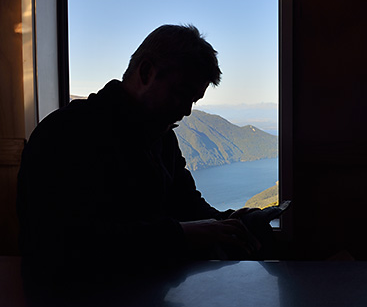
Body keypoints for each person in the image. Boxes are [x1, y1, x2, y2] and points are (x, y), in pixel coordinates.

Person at [17, 24, 273, 284]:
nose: (186, 111)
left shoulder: (162, 138)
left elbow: (187, 206)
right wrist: (185, 234)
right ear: (147, 71)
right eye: (181, 93)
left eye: (194, 100)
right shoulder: (65, 134)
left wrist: (230, 221)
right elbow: (69, 243)